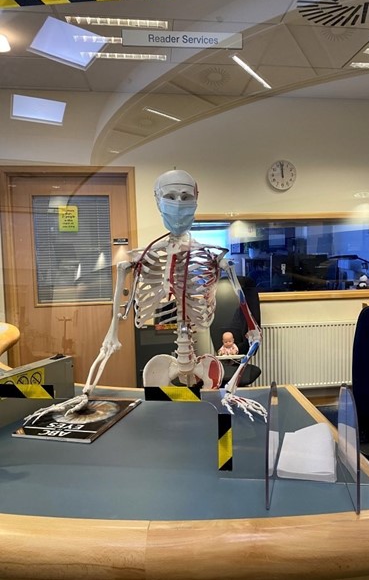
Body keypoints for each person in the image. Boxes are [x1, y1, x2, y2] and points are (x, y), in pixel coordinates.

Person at [26, 169, 266, 422]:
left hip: (206, 367)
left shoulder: (215, 257)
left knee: (214, 401)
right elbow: (117, 326)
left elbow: (252, 329)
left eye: (185, 197)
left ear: (196, 198)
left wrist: (248, 345)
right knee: (158, 408)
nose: (178, 204)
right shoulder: (137, 260)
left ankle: (228, 393)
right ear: (157, 199)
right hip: (163, 367)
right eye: (170, 196)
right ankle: (86, 392)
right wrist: (89, 390)